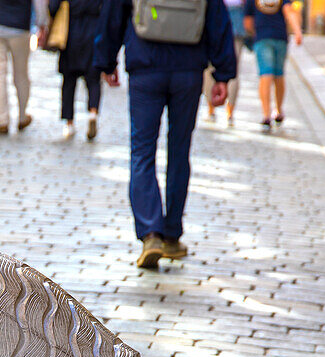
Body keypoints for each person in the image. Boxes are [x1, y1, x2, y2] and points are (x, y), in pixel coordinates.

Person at [94, 0, 236, 268]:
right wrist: (223, 73)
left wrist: (106, 59)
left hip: (145, 64)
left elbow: (113, 13)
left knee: (142, 151)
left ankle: (151, 233)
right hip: (189, 68)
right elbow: (218, 19)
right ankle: (171, 234)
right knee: (180, 152)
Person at [0, 0, 49, 135]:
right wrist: (42, 24)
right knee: (21, 75)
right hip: (20, 28)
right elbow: (40, 3)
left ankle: (2, 120)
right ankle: (22, 116)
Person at [49, 0, 103, 140]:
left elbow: (53, 7)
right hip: (94, 33)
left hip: (71, 33)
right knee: (93, 80)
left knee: (69, 81)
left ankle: (69, 122)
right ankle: (93, 112)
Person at [244, 0, 302, 132]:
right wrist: (297, 31)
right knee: (278, 74)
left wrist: (255, 33)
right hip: (280, 36)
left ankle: (266, 114)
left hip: (262, 37)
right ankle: (279, 110)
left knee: (265, 74)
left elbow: (247, 21)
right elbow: (289, 11)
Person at [206, 0, 246, 126]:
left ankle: (211, 109)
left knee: (209, 68)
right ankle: (230, 112)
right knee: (233, 66)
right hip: (236, 18)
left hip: (214, 16)